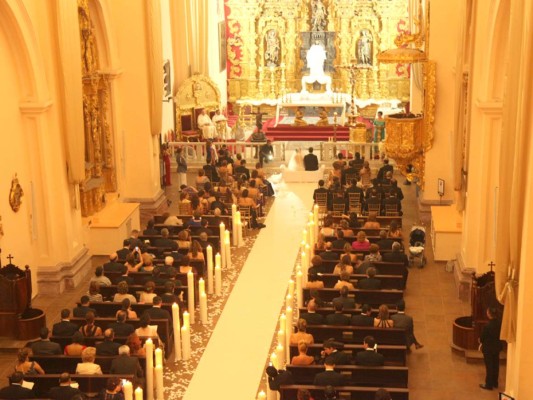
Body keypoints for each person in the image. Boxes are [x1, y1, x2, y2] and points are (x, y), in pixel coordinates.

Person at [479, 307, 503, 390]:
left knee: (489, 366)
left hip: (488, 349)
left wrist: (480, 340)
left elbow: (482, 338)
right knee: (496, 365)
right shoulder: (500, 324)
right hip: (497, 347)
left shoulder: (487, 326)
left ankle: (489, 384)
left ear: (489, 314)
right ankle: (495, 382)